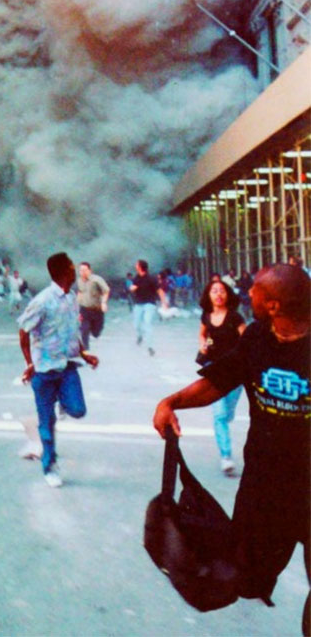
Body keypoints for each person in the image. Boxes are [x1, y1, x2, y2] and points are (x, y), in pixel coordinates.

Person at [153, 264, 310, 631]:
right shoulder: (257, 337)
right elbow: (219, 381)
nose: (247, 292)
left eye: (256, 289)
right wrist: (171, 402)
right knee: (246, 574)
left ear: (274, 305)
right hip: (265, 487)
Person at [18, 252, 99, 488]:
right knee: (47, 424)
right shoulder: (42, 301)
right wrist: (29, 363)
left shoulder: (72, 298)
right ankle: (50, 466)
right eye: (72, 268)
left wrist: (84, 354)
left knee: (77, 409)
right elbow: (23, 331)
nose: (76, 272)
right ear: (63, 272)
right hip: (44, 371)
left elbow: (73, 331)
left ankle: (63, 401)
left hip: (67, 366)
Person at [197, 276, 246, 475]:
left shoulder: (235, 317)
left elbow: (247, 340)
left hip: (235, 371)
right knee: (219, 415)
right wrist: (204, 346)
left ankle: (226, 421)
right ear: (208, 296)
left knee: (227, 414)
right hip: (214, 370)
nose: (218, 294)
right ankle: (226, 456)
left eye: (222, 291)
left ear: (228, 294)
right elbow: (204, 335)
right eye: (214, 291)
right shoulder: (206, 316)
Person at [129, 259, 164, 355]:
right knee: (136, 324)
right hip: (138, 304)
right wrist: (132, 288)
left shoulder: (151, 278)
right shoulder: (136, 278)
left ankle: (150, 347)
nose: (135, 266)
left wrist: (164, 303)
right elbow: (132, 287)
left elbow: (159, 291)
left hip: (150, 304)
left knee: (147, 323)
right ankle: (140, 336)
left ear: (140, 267)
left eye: (137, 265)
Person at [76, 262, 110, 351]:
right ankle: (86, 349)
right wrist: (76, 308)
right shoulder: (79, 280)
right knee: (84, 330)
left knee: (96, 333)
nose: (82, 272)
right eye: (80, 270)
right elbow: (80, 292)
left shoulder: (97, 280)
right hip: (85, 309)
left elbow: (106, 291)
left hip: (97, 310)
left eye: (84, 270)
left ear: (89, 270)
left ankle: (93, 330)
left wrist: (104, 303)